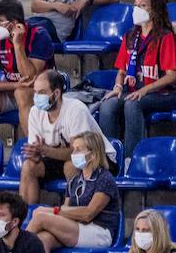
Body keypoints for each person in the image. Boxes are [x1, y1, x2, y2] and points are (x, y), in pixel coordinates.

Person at [99, 0, 176, 157]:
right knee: (107, 105)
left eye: (142, 5)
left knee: (132, 103)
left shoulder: (165, 37)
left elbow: (171, 76)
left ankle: (131, 158)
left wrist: (144, 90)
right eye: (135, 5)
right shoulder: (129, 36)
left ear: (154, 9)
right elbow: (121, 71)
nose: (137, 9)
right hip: (133, 90)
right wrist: (117, 86)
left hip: (162, 94)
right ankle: (110, 158)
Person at [26, 130, 121, 253]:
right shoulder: (75, 180)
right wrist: (58, 212)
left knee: (40, 216)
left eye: (78, 149)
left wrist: (53, 211)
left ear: (93, 154)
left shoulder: (104, 178)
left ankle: (15, 250)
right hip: (77, 227)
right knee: (41, 241)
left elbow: (88, 214)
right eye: (73, 149)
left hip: (99, 231)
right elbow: (67, 209)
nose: (73, 154)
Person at [21, 66, 115, 204]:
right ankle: (26, 216)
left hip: (97, 157)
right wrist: (35, 154)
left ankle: (74, 212)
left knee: (71, 165)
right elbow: (38, 150)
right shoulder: (35, 112)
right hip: (61, 158)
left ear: (56, 94)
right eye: (35, 93)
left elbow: (79, 152)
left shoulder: (76, 109)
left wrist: (45, 150)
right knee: (29, 166)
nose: (36, 98)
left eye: (41, 93)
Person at [0, 0, 54, 137]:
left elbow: (30, 78)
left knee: (21, 93)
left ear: (14, 24)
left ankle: (34, 151)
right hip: (14, 90)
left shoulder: (39, 35)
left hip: (41, 93)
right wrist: (14, 85)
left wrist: (18, 45)